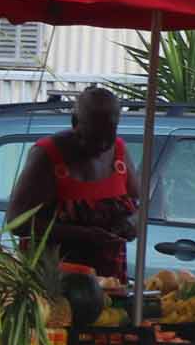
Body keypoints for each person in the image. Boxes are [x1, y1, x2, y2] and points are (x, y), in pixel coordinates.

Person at [9, 86, 140, 282]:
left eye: (109, 134)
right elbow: (16, 222)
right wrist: (83, 235)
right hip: (54, 283)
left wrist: (130, 223)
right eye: (94, 137)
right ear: (75, 122)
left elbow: (140, 204)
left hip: (108, 283)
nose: (103, 145)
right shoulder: (47, 156)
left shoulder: (120, 151)